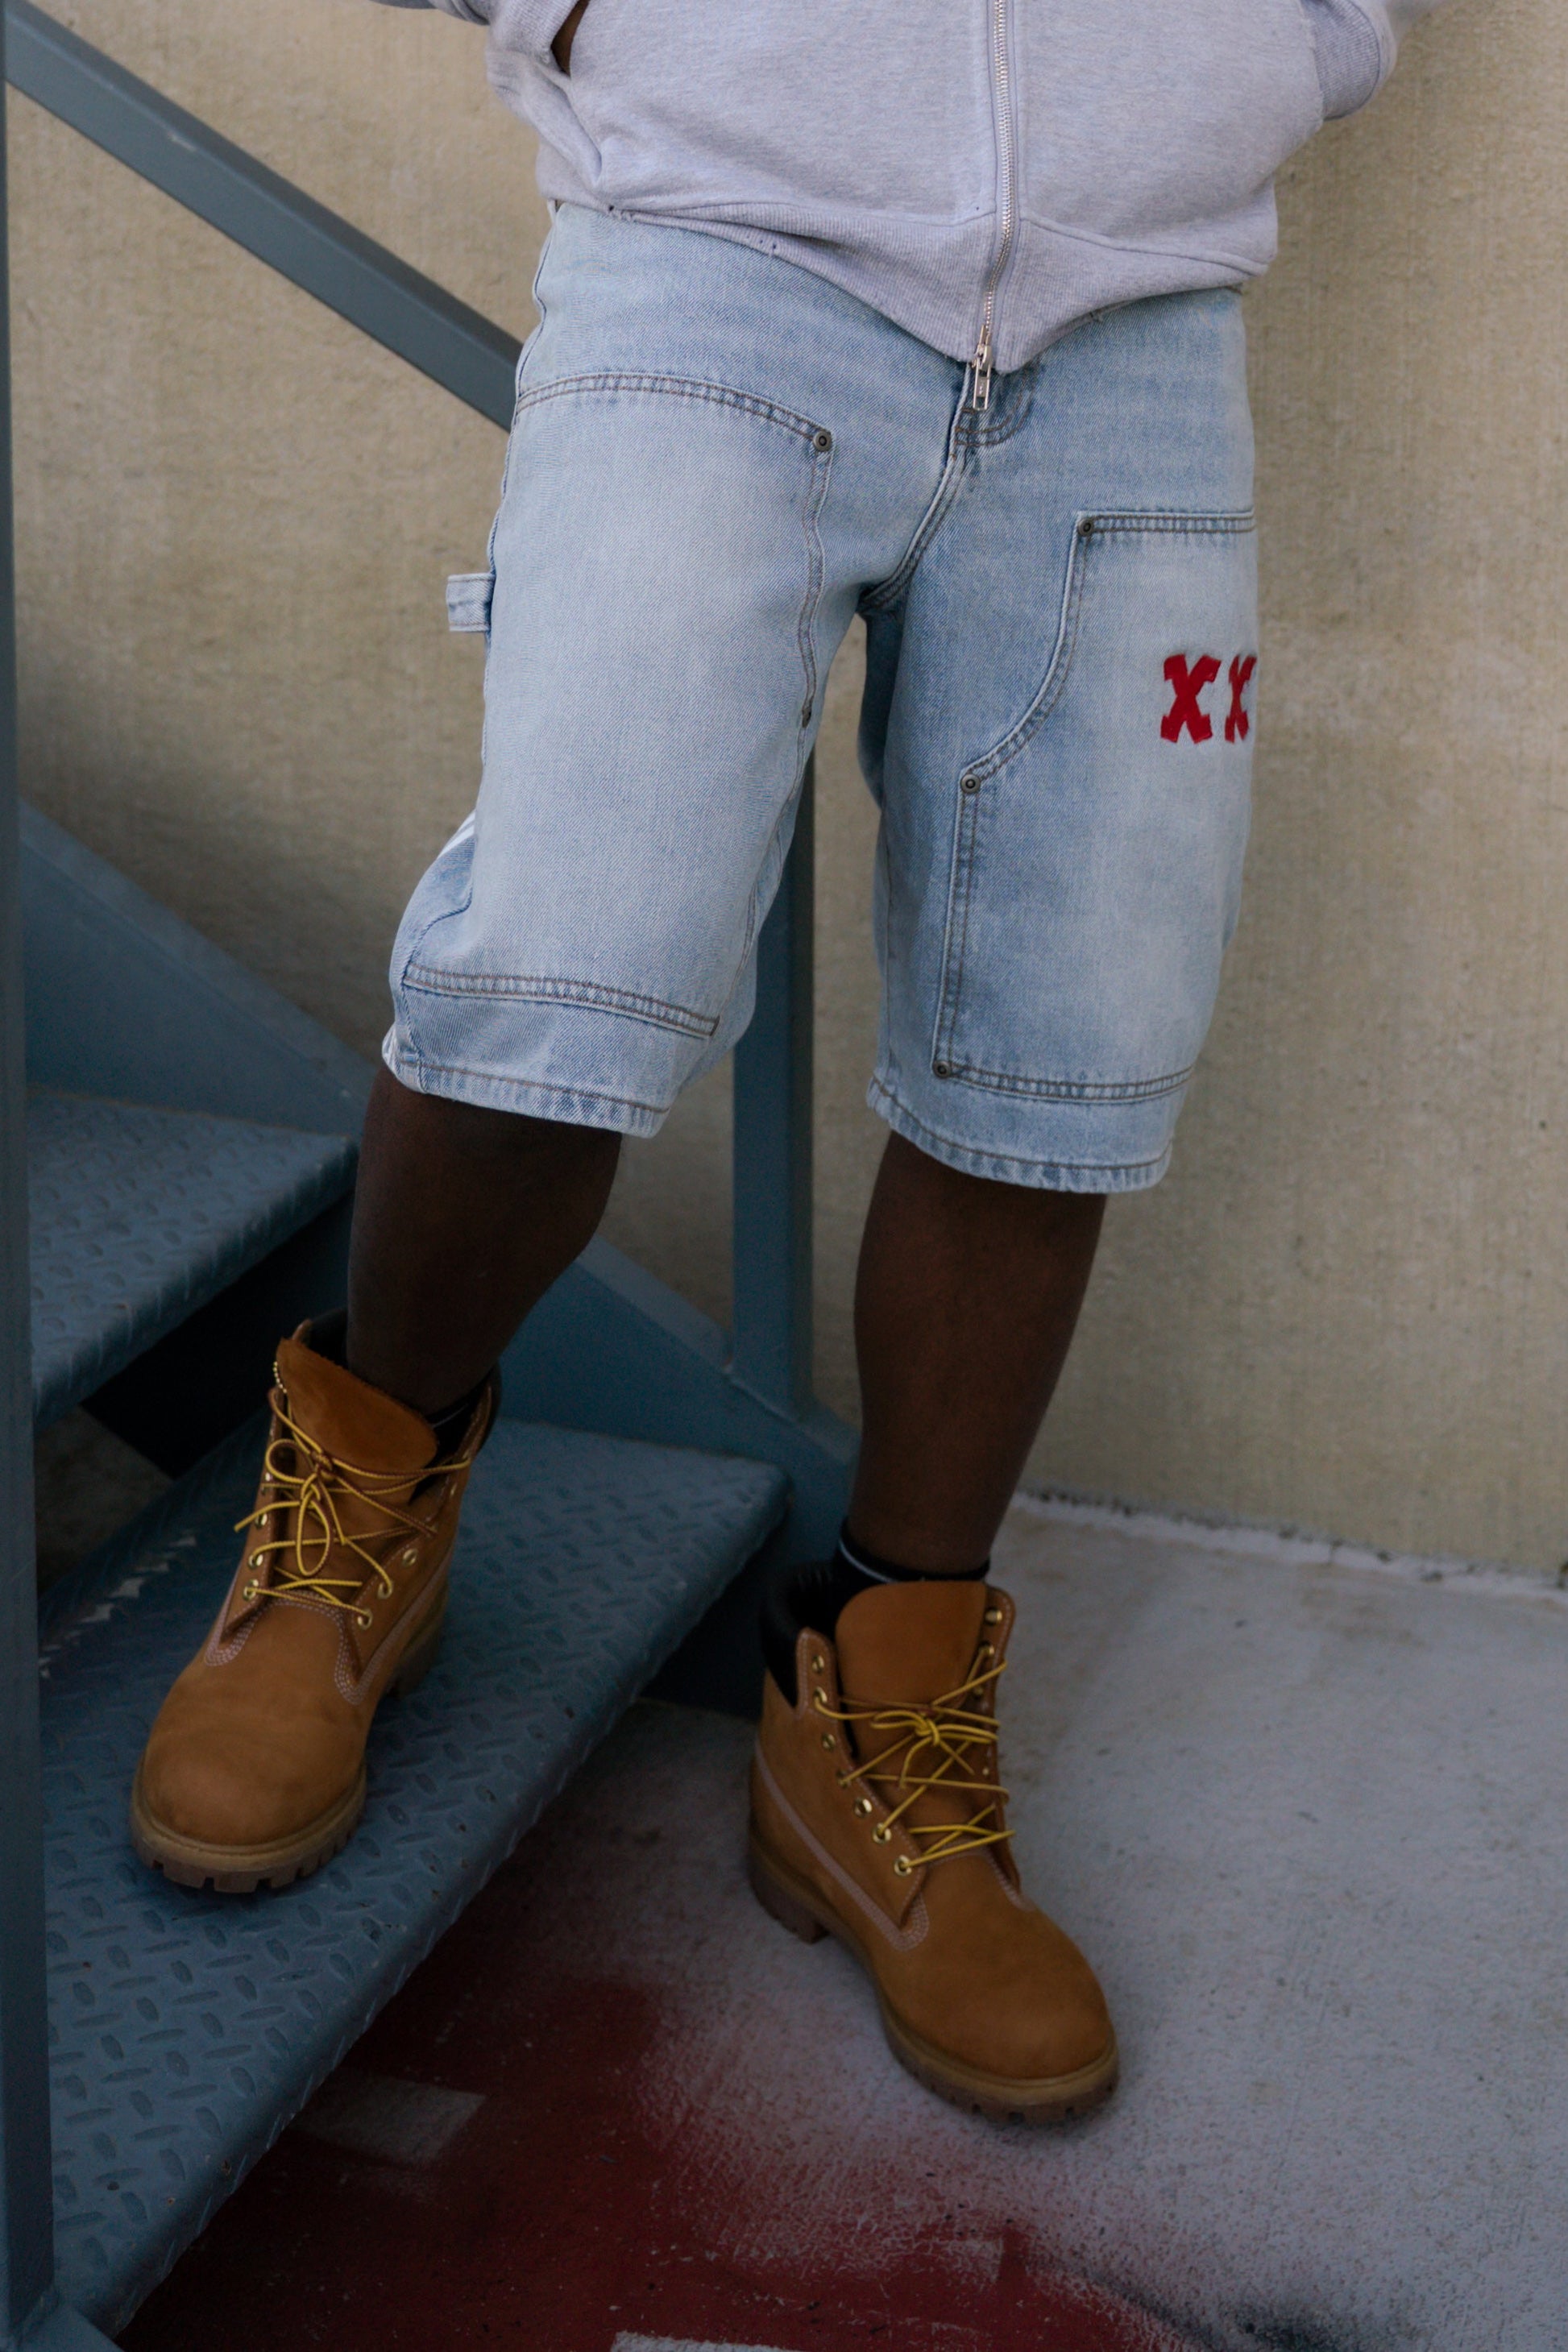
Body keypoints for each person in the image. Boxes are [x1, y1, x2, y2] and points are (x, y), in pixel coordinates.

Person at [129, 0, 1448, 2121]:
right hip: (717, 252)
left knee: (1065, 1040)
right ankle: (354, 1529)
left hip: (1140, 313)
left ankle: (877, 1716)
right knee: (565, 957)